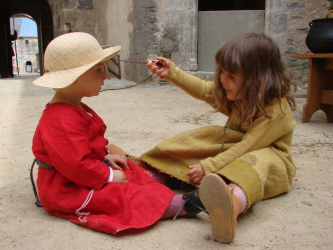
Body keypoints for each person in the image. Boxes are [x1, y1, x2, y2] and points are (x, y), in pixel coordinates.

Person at [32, 32, 206, 235]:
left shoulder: (73, 107)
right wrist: (107, 175)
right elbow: (75, 165)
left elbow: (80, 149)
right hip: (67, 185)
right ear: (73, 79)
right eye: (99, 70)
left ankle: (170, 180)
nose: (105, 76)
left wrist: (105, 156)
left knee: (127, 166)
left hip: (83, 171)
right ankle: (182, 205)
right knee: (118, 194)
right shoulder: (60, 119)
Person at [142, 33, 297, 243]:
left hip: (267, 159)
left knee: (255, 161)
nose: (223, 80)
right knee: (207, 136)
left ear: (257, 79)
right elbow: (206, 90)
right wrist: (172, 73)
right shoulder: (240, 94)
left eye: (232, 76)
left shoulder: (276, 110)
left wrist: (209, 166)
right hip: (235, 149)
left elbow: (248, 147)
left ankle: (229, 204)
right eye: (221, 72)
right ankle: (158, 172)